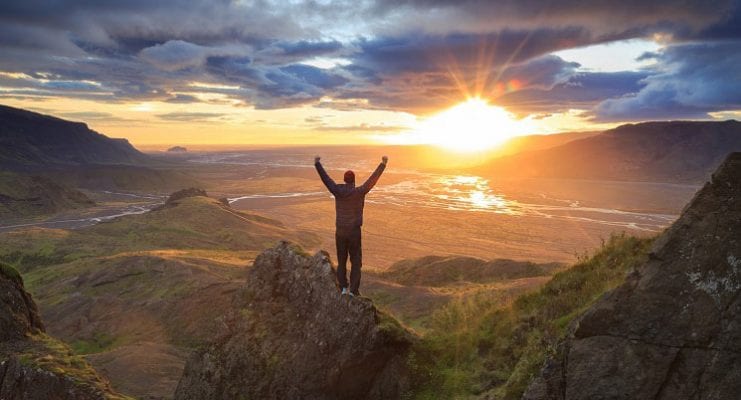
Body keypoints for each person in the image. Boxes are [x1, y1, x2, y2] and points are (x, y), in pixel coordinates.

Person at [314, 155, 388, 296]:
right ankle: (353, 290)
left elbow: (326, 179)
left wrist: (317, 164)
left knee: (342, 261)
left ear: (344, 180)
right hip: (354, 232)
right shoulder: (359, 192)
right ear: (353, 181)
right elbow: (372, 180)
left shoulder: (337, 191)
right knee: (356, 262)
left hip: (341, 231)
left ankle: (343, 288)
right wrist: (383, 164)